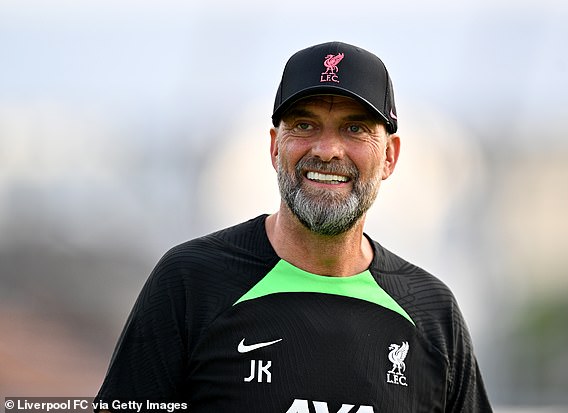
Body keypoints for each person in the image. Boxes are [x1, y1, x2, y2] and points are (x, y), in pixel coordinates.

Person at [94, 41, 492, 412]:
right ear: (274, 146)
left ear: (389, 156)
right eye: (304, 125)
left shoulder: (431, 311)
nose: (327, 150)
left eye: (354, 128)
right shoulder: (192, 282)